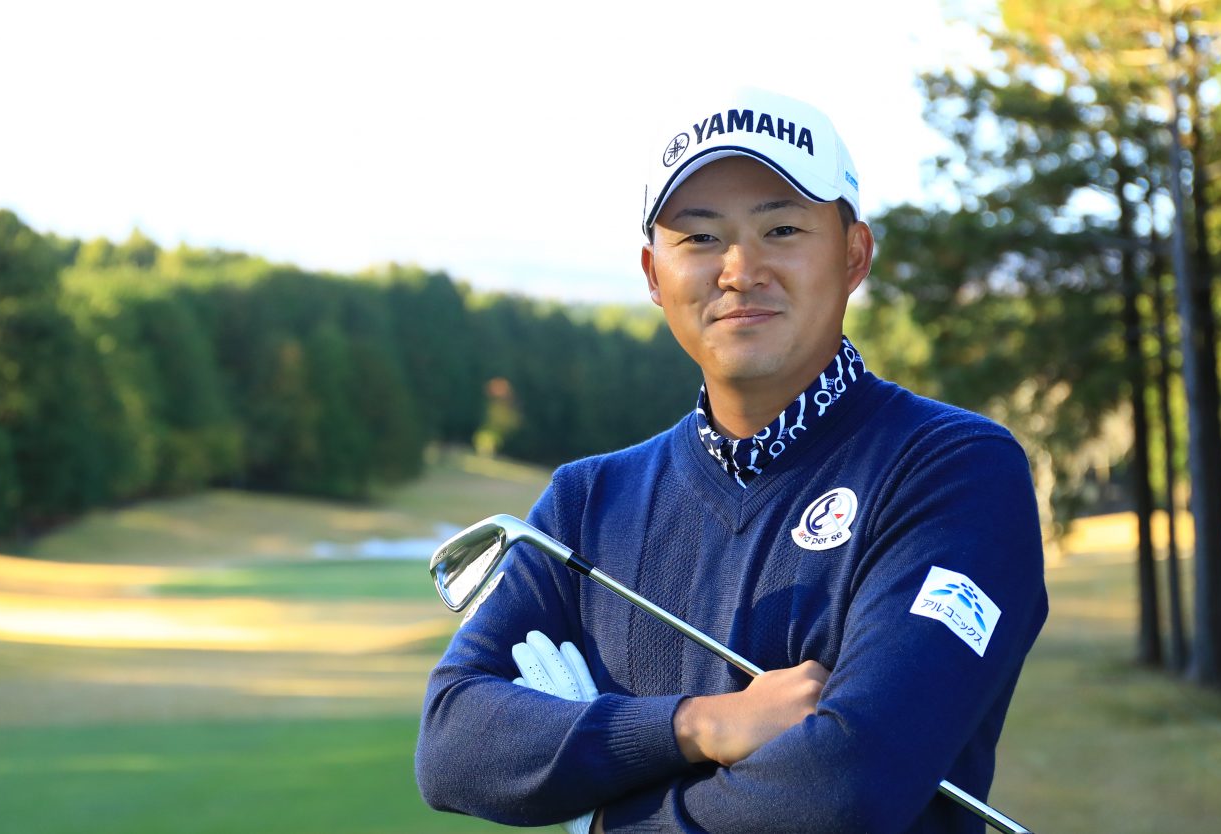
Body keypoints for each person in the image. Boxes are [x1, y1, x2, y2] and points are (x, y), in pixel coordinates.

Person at [414, 86, 1049, 833]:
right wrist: (697, 724)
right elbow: (451, 743)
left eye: (782, 229)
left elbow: (846, 788)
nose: (741, 270)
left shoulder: (955, 470)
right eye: (700, 238)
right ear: (653, 275)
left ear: (853, 255)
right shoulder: (587, 501)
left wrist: (600, 819)